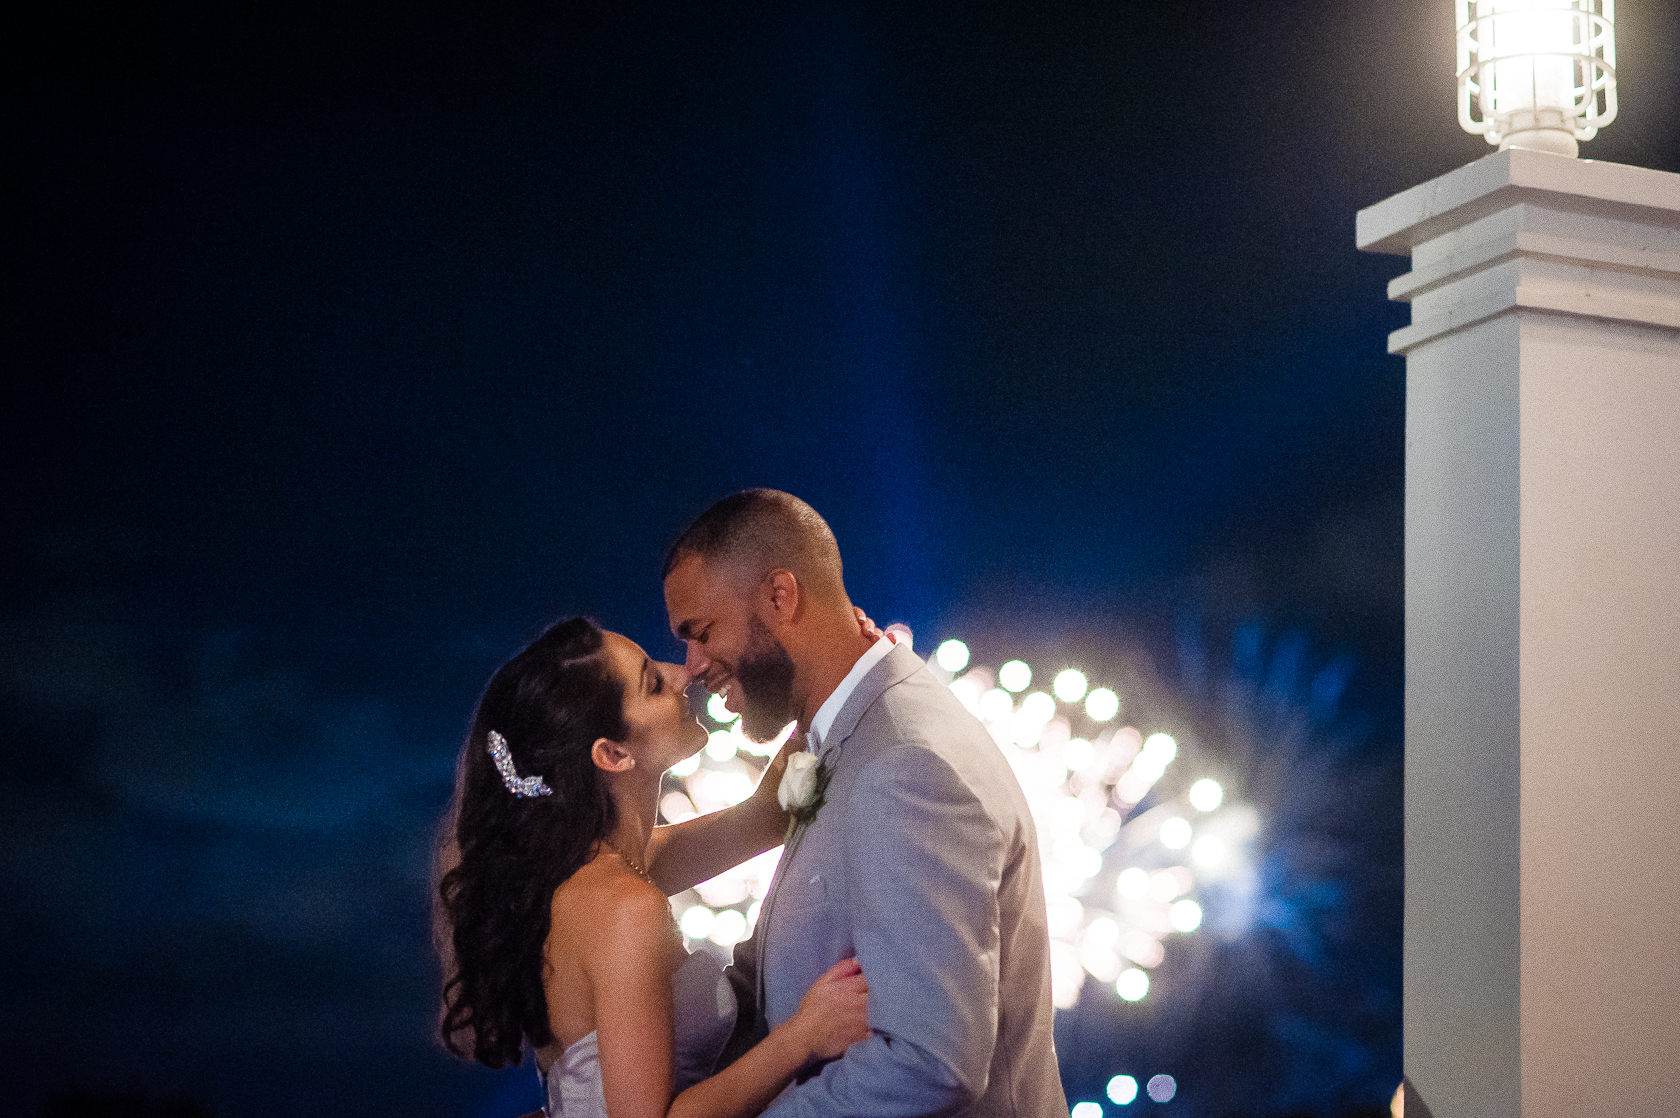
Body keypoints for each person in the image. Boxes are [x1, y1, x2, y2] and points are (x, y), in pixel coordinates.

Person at [663, 489, 1069, 1118]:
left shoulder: (904, 762)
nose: (690, 666)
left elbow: (927, 1062)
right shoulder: (843, 736)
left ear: (779, 596)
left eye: (701, 631)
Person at [435, 617, 870, 1118]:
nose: (681, 675)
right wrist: (805, 1036)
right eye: (654, 683)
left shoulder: (609, 868)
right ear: (614, 754)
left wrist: (835, 649)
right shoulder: (625, 907)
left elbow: (763, 820)